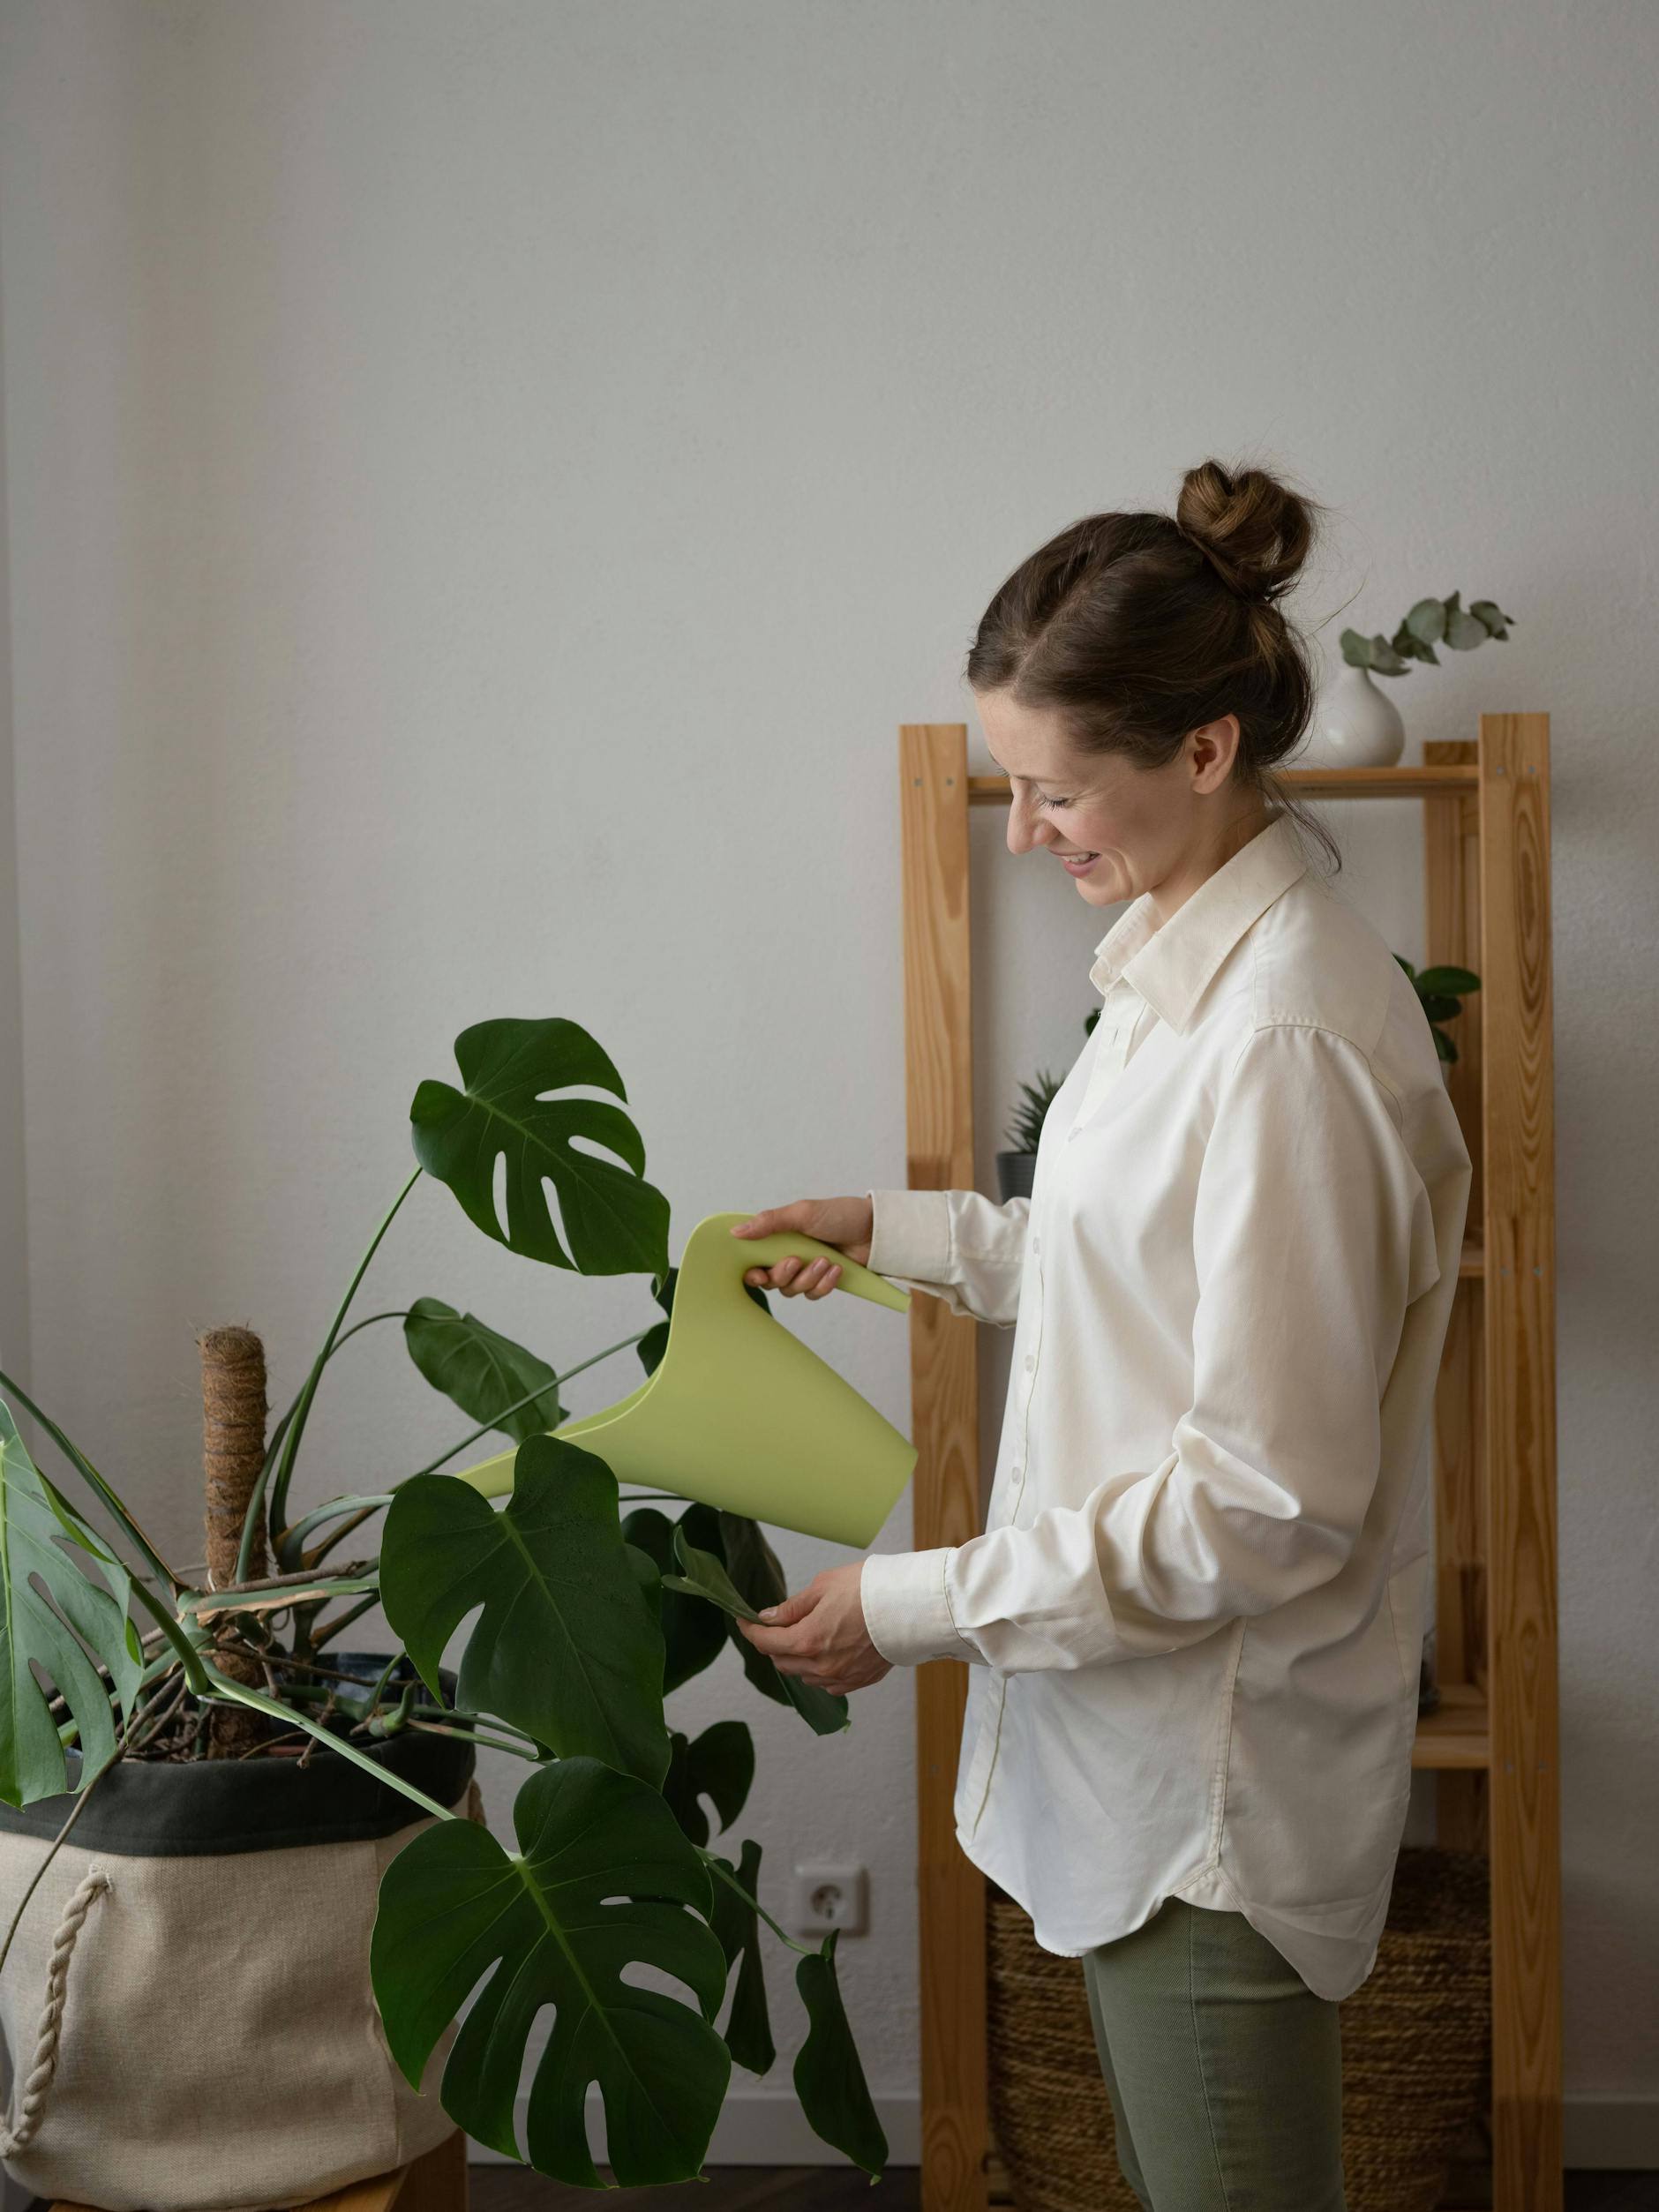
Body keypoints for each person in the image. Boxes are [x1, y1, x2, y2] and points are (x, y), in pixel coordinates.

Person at [727, 460, 1473, 2212]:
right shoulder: (1176, 964)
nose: (1019, 831)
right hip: (1131, 1756)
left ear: (1201, 752)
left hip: (1207, 1792)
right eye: (1008, 784)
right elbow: (1125, 1261)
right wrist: (895, 1233)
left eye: (1053, 788)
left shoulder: (1284, 1038)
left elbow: (1261, 1503)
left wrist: (911, 1604)